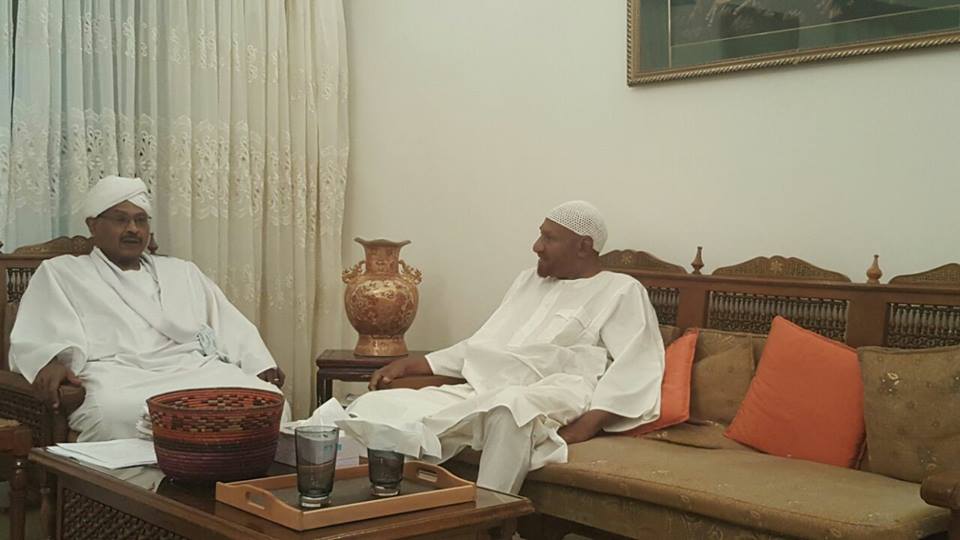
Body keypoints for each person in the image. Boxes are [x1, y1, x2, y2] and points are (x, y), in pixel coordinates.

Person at [336, 200, 665, 494]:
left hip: (553, 391)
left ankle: (487, 521)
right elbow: (486, 342)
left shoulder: (621, 290)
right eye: (540, 235)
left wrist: (587, 425)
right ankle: (373, 513)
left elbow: (636, 365)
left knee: (510, 410)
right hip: (484, 387)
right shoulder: (528, 281)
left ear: (583, 246)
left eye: (549, 238)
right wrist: (416, 364)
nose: (536, 246)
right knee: (373, 406)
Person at [10, 175, 287, 442]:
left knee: (269, 400)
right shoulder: (62, 272)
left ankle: (236, 469)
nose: (133, 229)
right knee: (114, 412)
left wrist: (258, 360)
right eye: (121, 220)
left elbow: (226, 320)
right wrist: (51, 361)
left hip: (193, 368)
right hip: (117, 375)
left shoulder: (182, 272)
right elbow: (39, 331)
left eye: (140, 220)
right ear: (93, 225)